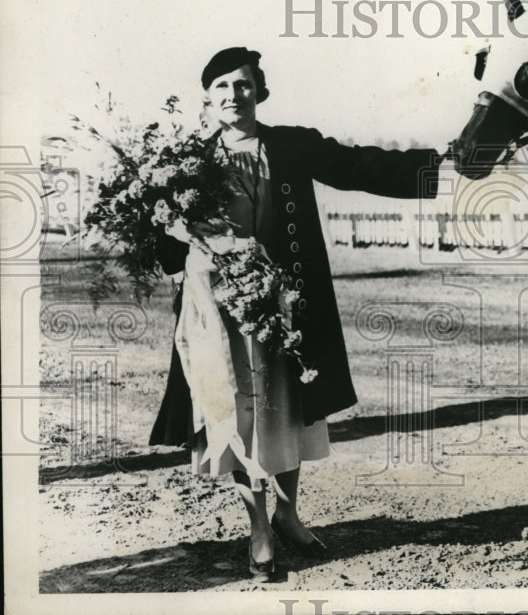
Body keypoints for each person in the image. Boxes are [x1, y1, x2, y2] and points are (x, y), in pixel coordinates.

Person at [151, 47, 445, 581]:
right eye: (221, 87)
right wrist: (176, 247)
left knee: (289, 410)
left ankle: (287, 513)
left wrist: (438, 166)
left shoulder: (290, 144)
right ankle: (258, 527)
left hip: (287, 305)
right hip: (221, 313)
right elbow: (162, 239)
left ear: (259, 92)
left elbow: (358, 165)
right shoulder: (184, 162)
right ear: (206, 99)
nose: (232, 96)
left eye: (242, 85)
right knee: (241, 417)